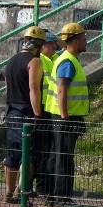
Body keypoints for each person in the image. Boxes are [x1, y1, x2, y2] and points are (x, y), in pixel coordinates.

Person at [47, 22, 89, 207]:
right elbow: (62, 89)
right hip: (66, 117)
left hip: (65, 115)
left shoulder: (66, 59)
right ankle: (62, 198)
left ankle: (53, 195)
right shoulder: (67, 61)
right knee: (64, 158)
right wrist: (65, 116)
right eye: (83, 38)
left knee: (58, 156)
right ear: (76, 41)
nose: (86, 41)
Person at [2, 26, 45, 204]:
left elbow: (7, 87)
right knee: (29, 154)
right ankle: (22, 192)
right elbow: (33, 88)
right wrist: (37, 114)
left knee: (12, 155)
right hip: (26, 112)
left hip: (11, 111)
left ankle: (8, 192)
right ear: (39, 45)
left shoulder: (11, 61)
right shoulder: (34, 62)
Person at [33, 29, 60, 197]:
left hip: (51, 109)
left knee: (51, 150)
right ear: (42, 46)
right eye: (50, 43)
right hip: (42, 110)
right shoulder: (39, 61)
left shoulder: (56, 59)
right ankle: (41, 187)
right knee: (42, 151)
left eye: (54, 43)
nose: (54, 46)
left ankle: (46, 186)